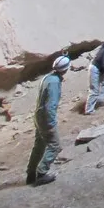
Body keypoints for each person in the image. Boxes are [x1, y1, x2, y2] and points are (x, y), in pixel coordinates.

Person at [26, 54, 70, 186]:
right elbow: (50, 105)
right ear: (66, 69)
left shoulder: (48, 77)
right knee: (55, 146)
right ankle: (42, 173)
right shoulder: (55, 83)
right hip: (46, 118)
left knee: (39, 146)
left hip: (38, 116)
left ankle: (31, 174)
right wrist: (51, 123)